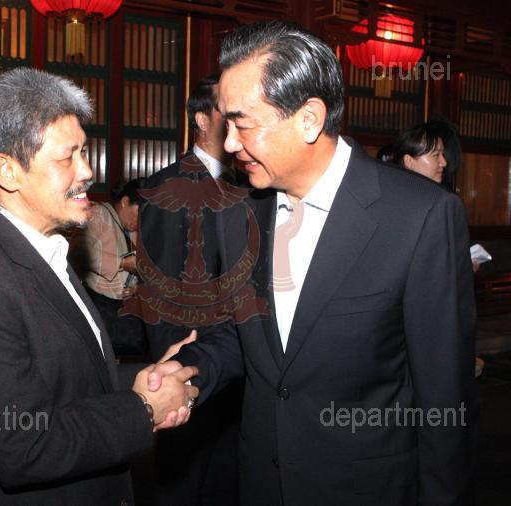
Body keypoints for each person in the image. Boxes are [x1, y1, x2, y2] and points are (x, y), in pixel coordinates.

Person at [150, 20, 477, 506]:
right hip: (261, 483)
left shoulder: (419, 217)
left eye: (242, 124)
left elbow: (444, 397)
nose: (231, 143)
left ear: (309, 119)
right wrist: (187, 373)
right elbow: (243, 337)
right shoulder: (238, 214)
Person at [0, 67, 198, 505]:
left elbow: (68, 376)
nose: (87, 170)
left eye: (84, 152)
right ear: (7, 171)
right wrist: (143, 409)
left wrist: (144, 379)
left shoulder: (42, 247)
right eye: (67, 157)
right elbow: (23, 445)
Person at [137, 74, 243, 506]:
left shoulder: (247, 183)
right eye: (225, 110)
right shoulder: (167, 188)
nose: (235, 119)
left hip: (237, 365)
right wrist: (177, 373)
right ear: (201, 118)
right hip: (190, 369)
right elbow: (158, 293)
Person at [68, 178, 148, 356]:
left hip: (123, 304)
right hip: (101, 305)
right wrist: (122, 263)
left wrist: (136, 288)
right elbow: (79, 253)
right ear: (125, 201)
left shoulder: (130, 229)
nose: (139, 220)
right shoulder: (97, 214)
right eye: (139, 212)